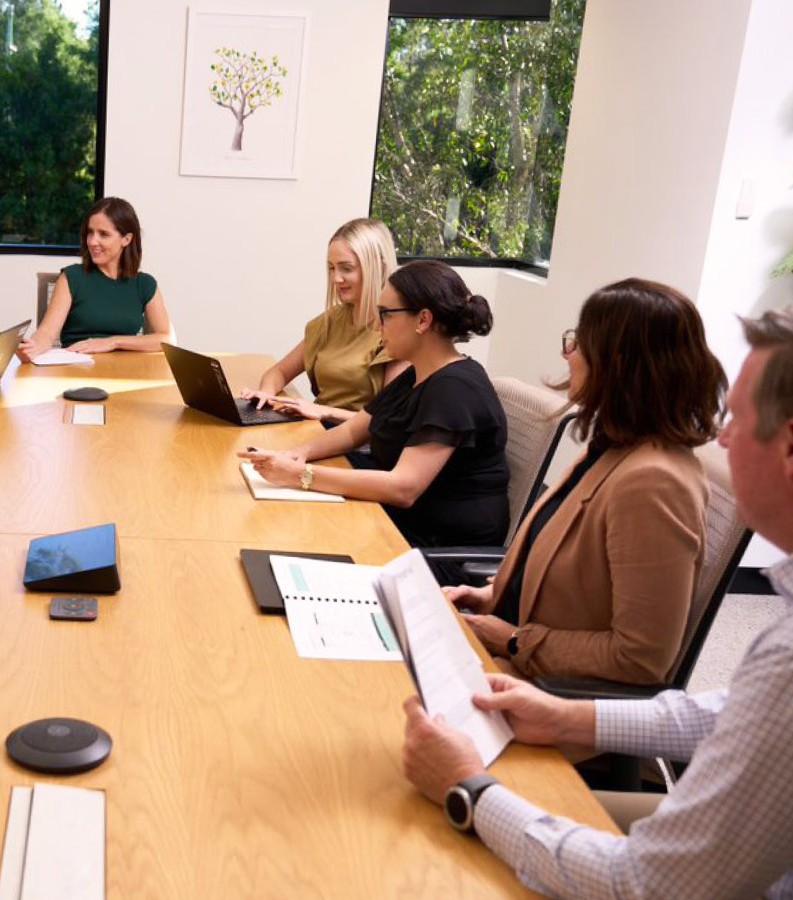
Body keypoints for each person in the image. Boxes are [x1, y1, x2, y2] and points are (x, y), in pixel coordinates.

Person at [400, 302, 793, 899]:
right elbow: (741, 709)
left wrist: (470, 791)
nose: (722, 437)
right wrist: (569, 716)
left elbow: (649, 885)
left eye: (738, 419)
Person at [446, 279, 726, 685]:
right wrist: (491, 595)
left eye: (579, 342)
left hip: (542, 694)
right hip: (513, 663)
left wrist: (512, 640)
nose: (567, 353)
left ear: (618, 363)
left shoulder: (654, 483)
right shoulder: (612, 447)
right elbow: (572, 576)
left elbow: (641, 658)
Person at [240, 260, 508, 550]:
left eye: (386, 315)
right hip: (395, 521)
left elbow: (403, 487)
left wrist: (300, 476)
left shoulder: (454, 388)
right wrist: (294, 455)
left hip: (432, 547)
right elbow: (353, 431)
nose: (378, 326)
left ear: (423, 320)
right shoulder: (417, 373)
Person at [239, 217, 407, 423]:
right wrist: (265, 394)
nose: (336, 278)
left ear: (378, 267)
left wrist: (324, 412)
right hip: (316, 428)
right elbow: (278, 372)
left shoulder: (397, 333)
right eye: (331, 268)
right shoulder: (329, 322)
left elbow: (386, 422)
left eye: (346, 268)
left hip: (354, 440)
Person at [15, 197, 175, 361]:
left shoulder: (145, 284)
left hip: (126, 370)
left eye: (103, 234)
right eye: (90, 232)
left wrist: (113, 342)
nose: (92, 241)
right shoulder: (72, 277)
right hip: (77, 368)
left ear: (126, 239)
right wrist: (31, 348)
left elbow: (167, 338)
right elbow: (47, 333)